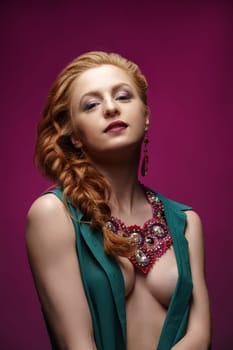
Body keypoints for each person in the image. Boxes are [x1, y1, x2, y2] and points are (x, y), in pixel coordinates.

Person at [26, 51, 211, 350]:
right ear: (74, 136)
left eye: (123, 97)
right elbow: (77, 344)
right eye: (92, 104)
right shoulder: (54, 214)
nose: (111, 108)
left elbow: (201, 337)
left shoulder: (187, 222)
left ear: (146, 117)